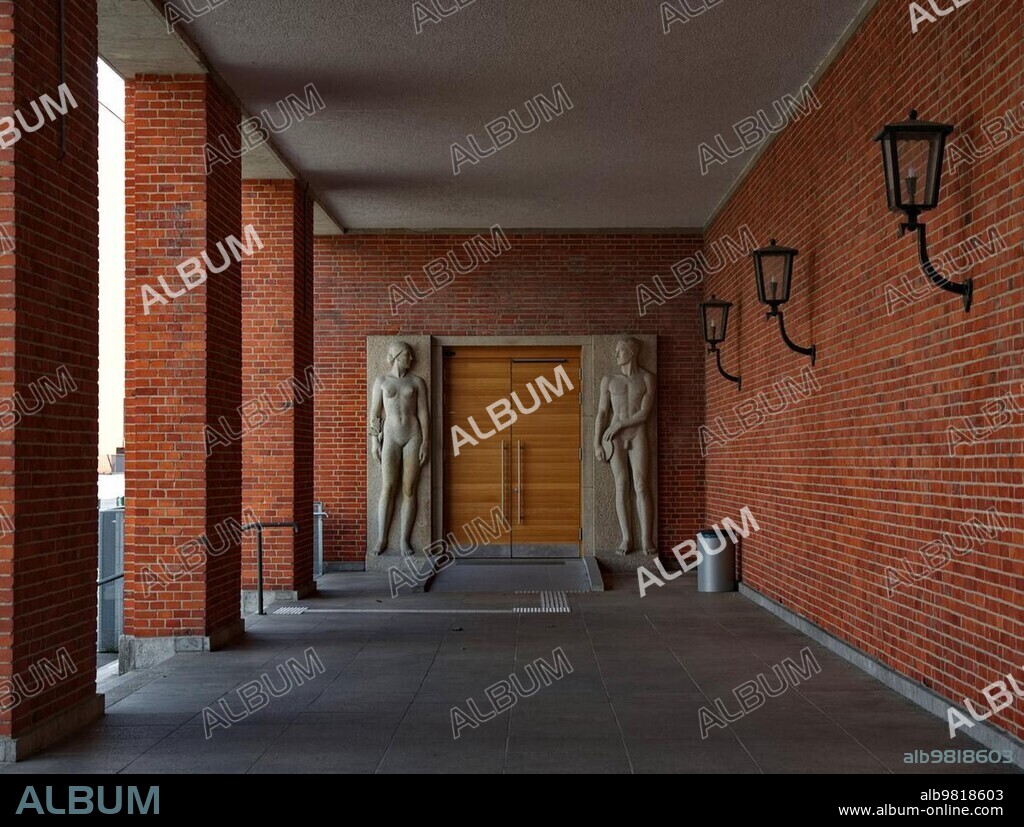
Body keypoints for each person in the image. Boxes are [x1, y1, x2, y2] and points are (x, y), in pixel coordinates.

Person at [594, 337, 655, 555]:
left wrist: (621, 423)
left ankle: (646, 539)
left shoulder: (647, 378)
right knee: (622, 484)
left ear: (631, 353)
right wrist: (596, 443)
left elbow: (645, 413)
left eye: (620, 351)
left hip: (637, 433)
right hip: (614, 438)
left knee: (640, 485)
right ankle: (627, 538)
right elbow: (602, 413)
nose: (616, 355)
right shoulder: (609, 380)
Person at [369, 341, 429, 555]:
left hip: (413, 435)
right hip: (391, 437)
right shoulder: (382, 381)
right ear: (396, 356)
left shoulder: (417, 382)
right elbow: (374, 413)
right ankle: (382, 538)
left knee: (409, 489)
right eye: (408, 355)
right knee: (388, 487)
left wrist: (426, 440)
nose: (411, 359)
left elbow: (423, 413)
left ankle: (404, 540)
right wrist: (374, 440)